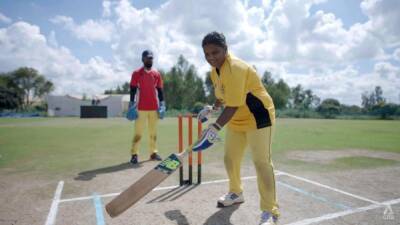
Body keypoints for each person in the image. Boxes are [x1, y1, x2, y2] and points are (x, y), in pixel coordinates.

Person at [194, 32, 279, 225]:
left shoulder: (236, 68)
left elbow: (232, 104)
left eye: (215, 52)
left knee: (261, 162)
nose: (211, 58)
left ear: (226, 49)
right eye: (206, 54)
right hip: (237, 118)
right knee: (230, 158)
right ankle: (236, 192)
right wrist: (212, 109)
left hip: (259, 117)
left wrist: (214, 127)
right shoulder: (214, 71)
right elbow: (223, 95)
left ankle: (269, 212)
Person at [128, 50, 166, 164]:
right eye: (147, 58)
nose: (150, 60)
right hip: (141, 108)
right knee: (138, 133)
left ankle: (153, 153)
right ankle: (134, 154)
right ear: (143, 59)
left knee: (153, 133)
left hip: (154, 108)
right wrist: (131, 104)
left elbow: (160, 90)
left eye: (151, 58)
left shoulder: (156, 74)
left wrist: (163, 104)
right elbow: (133, 89)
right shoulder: (136, 73)